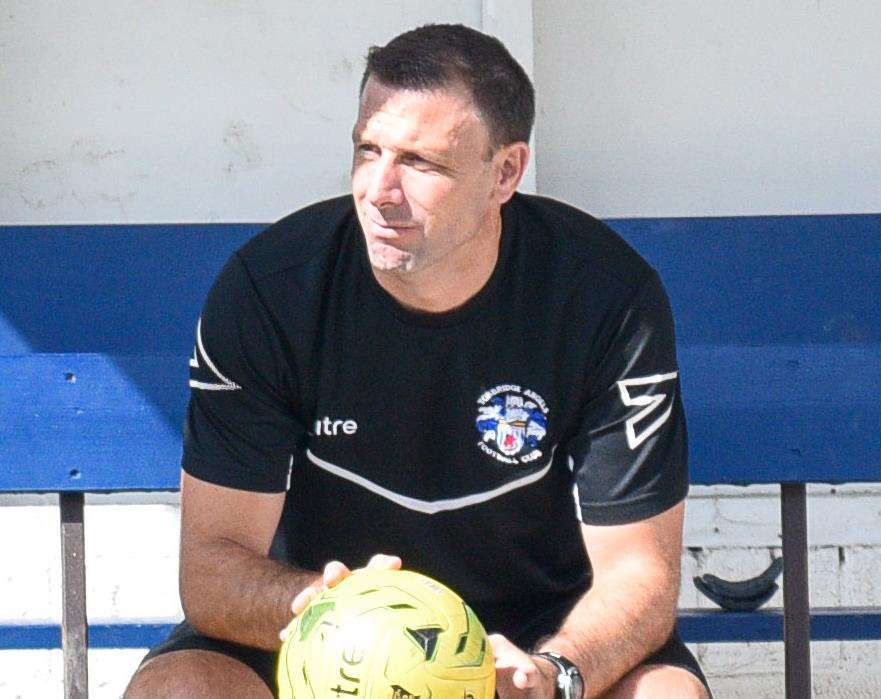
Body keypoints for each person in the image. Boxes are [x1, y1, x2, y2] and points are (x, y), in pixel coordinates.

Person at [126, 23, 710, 699]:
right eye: (367, 150)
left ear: (506, 171)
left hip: (532, 631)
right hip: (325, 617)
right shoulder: (270, 290)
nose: (379, 189)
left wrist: (557, 670)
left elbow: (638, 573)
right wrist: (343, 612)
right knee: (180, 691)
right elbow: (212, 570)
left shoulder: (605, 296)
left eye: (420, 163)